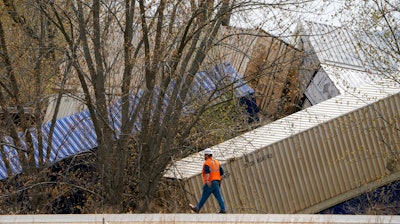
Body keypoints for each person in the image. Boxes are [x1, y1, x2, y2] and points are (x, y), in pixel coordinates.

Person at [189, 148, 226, 213]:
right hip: (216, 182)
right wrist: (219, 181)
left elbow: (207, 172)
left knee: (204, 196)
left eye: (204, 155)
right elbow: (222, 173)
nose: (204, 157)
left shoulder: (207, 163)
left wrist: (207, 181)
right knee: (219, 196)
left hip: (210, 182)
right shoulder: (216, 162)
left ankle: (197, 208)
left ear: (207, 155)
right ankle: (223, 209)